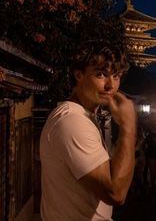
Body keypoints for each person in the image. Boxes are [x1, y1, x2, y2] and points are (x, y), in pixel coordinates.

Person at [40, 40, 137, 221]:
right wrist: (128, 127)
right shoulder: (72, 121)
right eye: (101, 74)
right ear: (79, 74)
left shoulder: (85, 116)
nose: (111, 86)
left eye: (116, 76)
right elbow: (115, 193)